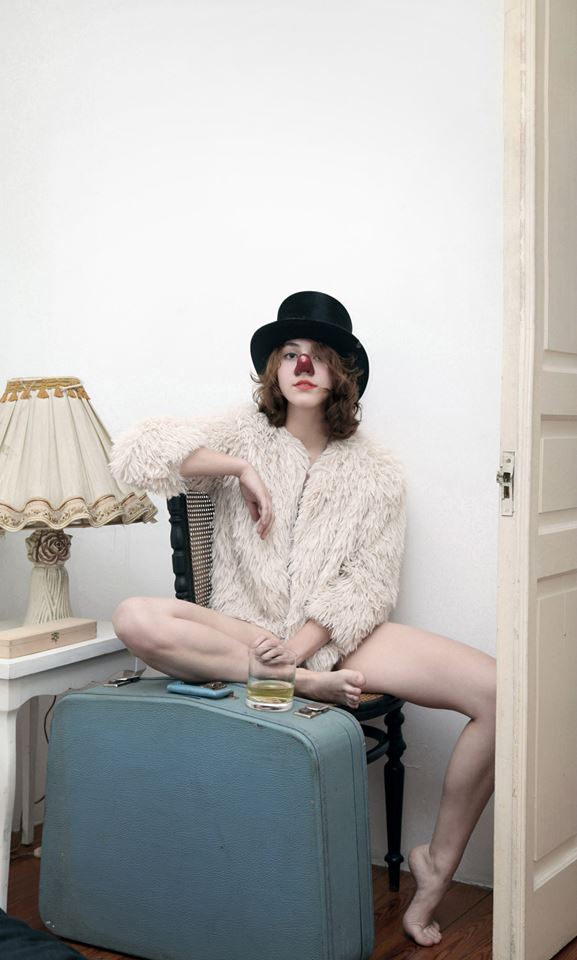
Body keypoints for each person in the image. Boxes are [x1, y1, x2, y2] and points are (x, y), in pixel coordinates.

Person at [110, 291, 496, 948]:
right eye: (290, 353)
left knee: (498, 693)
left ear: (342, 374)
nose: (304, 365)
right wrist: (240, 468)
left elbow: (368, 583)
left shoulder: (375, 472)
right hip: (244, 627)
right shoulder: (240, 434)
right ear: (275, 370)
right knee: (132, 616)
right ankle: (301, 685)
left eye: (319, 355)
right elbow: (135, 454)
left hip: (339, 639)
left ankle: (436, 866)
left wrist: (304, 645)